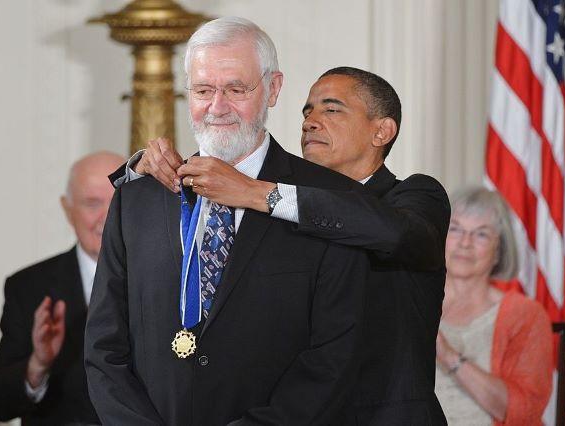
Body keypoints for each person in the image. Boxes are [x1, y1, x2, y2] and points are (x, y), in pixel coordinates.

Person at [118, 66, 451, 423]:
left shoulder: (414, 195)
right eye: (307, 111)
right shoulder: (279, 209)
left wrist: (257, 192)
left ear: (382, 130)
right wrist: (141, 169)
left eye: (331, 109)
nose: (310, 121)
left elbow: (396, 233)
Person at [84, 17, 369, 426]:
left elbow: (334, 357)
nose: (217, 107)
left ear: (272, 89)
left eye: (236, 89)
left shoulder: (327, 199)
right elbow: (104, 347)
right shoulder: (138, 198)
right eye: (203, 90)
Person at [0, 151, 124, 426]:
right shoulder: (28, 288)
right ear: (67, 209)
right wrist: (38, 364)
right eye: (92, 203)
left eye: (118, 201)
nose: (106, 216)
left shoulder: (171, 280)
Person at [435, 187, 552, 425]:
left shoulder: (525, 315)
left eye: (481, 235)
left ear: (499, 251)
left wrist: (448, 356)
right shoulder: (411, 301)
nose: (465, 243)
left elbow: (525, 412)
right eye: (455, 229)